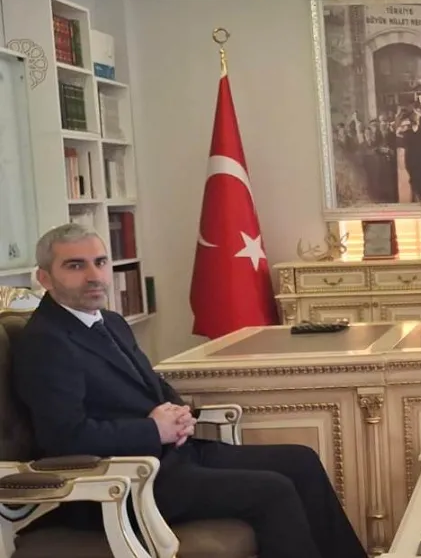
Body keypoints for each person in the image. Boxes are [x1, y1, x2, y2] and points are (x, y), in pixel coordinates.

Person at [11, 223, 366, 558]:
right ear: (45, 278)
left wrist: (178, 414)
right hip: (121, 482)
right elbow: (66, 438)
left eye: (100, 262)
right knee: (274, 490)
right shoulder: (46, 342)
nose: (94, 275)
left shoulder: (111, 322)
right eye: (75, 265)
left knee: (301, 461)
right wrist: (153, 430)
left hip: (171, 456)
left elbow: (153, 385)